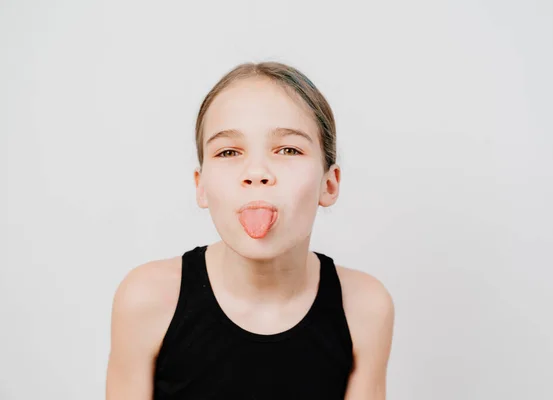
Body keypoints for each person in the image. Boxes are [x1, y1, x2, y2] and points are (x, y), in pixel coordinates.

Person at [105, 61, 395, 399]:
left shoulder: (364, 308)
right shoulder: (147, 299)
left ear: (329, 184)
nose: (256, 172)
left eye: (288, 149)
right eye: (229, 151)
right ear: (201, 187)